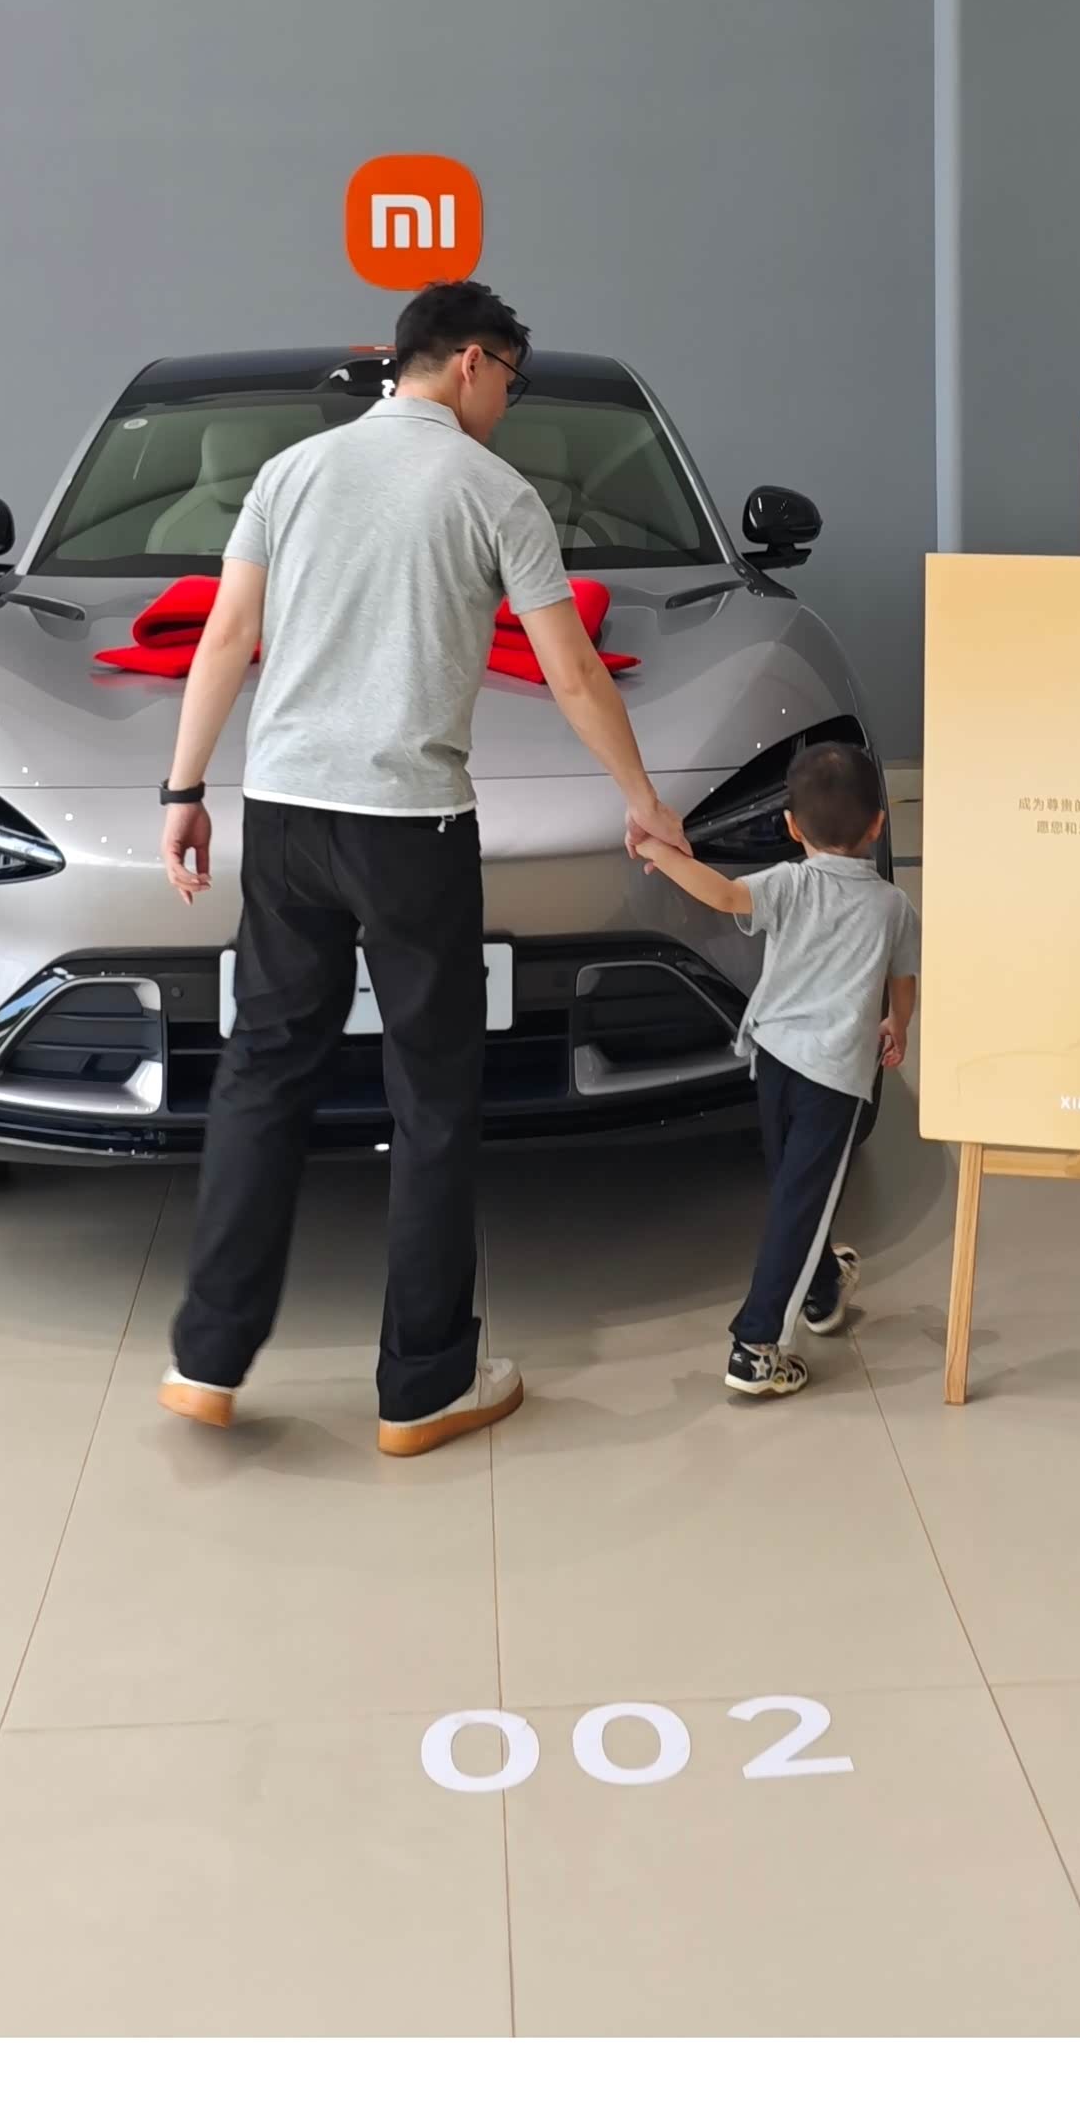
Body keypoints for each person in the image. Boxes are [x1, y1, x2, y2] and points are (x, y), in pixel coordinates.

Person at [154, 279, 687, 1454]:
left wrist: (183, 791)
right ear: (473, 362)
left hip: (284, 816)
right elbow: (570, 671)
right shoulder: (492, 491)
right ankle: (423, 1384)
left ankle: (206, 1357)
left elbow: (229, 637)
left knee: (263, 1072)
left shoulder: (292, 473)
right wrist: (643, 802)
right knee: (433, 1096)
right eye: (511, 381)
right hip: (408, 825)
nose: (507, 404)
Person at [637, 740, 918, 1400]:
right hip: (834, 1077)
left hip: (773, 1059)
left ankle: (821, 1289)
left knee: (794, 1189)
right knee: (803, 1200)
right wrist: (897, 1024)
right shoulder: (892, 907)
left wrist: (660, 852)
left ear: (791, 826)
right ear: (878, 824)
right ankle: (756, 1346)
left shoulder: (789, 883)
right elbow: (902, 980)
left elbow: (722, 894)